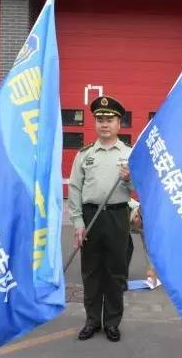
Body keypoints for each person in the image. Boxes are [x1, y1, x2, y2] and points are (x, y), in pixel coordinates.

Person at [68, 96, 133, 342]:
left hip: (117, 216)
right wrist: (77, 222)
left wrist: (128, 178)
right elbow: (74, 188)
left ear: (119, 124)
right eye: (100, 120)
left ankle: (113, 322)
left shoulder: (129, 154)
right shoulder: (85, 155)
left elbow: (139, 188)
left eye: (110, 120)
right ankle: (92, 320)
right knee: (91, 272)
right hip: (90, 216)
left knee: (116, 273)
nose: (104, 124)